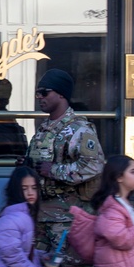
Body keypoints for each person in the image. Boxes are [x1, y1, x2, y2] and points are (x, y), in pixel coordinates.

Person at [26, 67, 105, 255]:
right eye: (37, 93)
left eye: (44, 92)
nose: (39, 97)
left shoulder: (79, 129)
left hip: (67, 219)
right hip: (41, 216)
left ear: (61, 95)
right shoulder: (45, 128)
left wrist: (53, 170)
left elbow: (94, 165)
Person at [85, 155, 134, 267]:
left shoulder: (123, 204)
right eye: (133, 172)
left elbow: (133, 241)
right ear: (119, 177)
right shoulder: (112, 210)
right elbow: (122, 239)